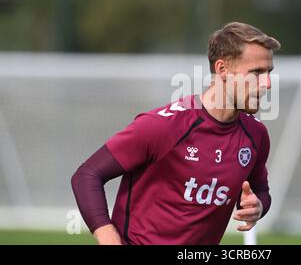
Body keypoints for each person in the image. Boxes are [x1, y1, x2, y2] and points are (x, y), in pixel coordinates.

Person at [71, 22, 281, 245]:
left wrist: (257, 206)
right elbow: (87, 175)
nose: (267, 83)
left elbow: (260, 189)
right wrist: (107, 235)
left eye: (268, 73)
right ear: (222, 70)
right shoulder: (163, 127)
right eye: (256, 72)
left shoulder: (256, 136)